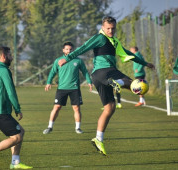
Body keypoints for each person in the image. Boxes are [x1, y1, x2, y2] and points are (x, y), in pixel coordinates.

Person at [58, 16, 154, 155]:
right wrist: (67, 58)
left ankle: (98, 139)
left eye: (113, 28)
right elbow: (84, 47)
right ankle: (117, 83)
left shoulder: (114, 41)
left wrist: (145, 63)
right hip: (105, 72)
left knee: (110, 107)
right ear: (103, 27)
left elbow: (128, 53)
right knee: (132, 83)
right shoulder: (100, 38)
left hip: (98, 77)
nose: (110, 30)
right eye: (108, 28)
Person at [43, 42, 92, 135]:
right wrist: (48, 82)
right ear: (63, 50)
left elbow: (85, 72)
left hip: (74, 88)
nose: (69, 51)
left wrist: (89, 81)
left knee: (76, 108)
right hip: (62, 88)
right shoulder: (58, 60)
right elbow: (52, 72)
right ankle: (50, 127)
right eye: (67, 49)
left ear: (73, 50)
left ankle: (78, 128)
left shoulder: (78, 61)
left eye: (70, 49)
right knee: (56, 107)